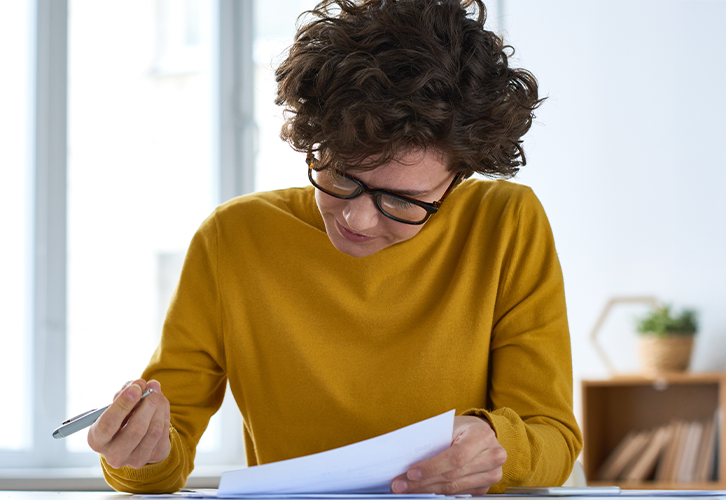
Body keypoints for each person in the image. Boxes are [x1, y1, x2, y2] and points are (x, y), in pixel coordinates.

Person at [87, 0, 582, 494]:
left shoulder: (506, 222)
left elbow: (552, 438)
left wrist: (497, 443)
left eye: (403, 201)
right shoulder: (233, 238)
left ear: (458, 177)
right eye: (342, 176)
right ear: (314, 138)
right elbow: (163, 459)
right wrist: (139, 452)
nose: (357, 218)